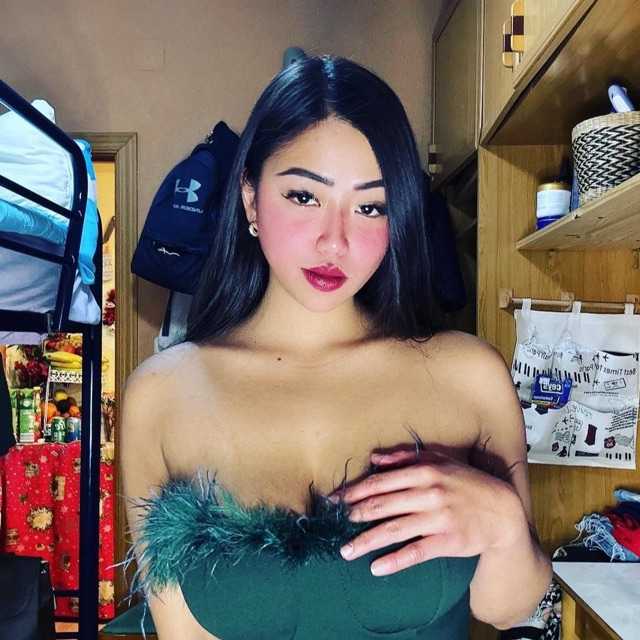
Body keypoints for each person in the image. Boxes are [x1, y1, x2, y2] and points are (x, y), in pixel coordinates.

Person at [121, 54, 553, 639]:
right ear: (250, 199)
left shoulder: (469, 375)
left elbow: (506, 608)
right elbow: (182, 633)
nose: (335, 241)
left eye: (370, 206)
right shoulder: (161, 395)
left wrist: (503, 523)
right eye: (304, 196)